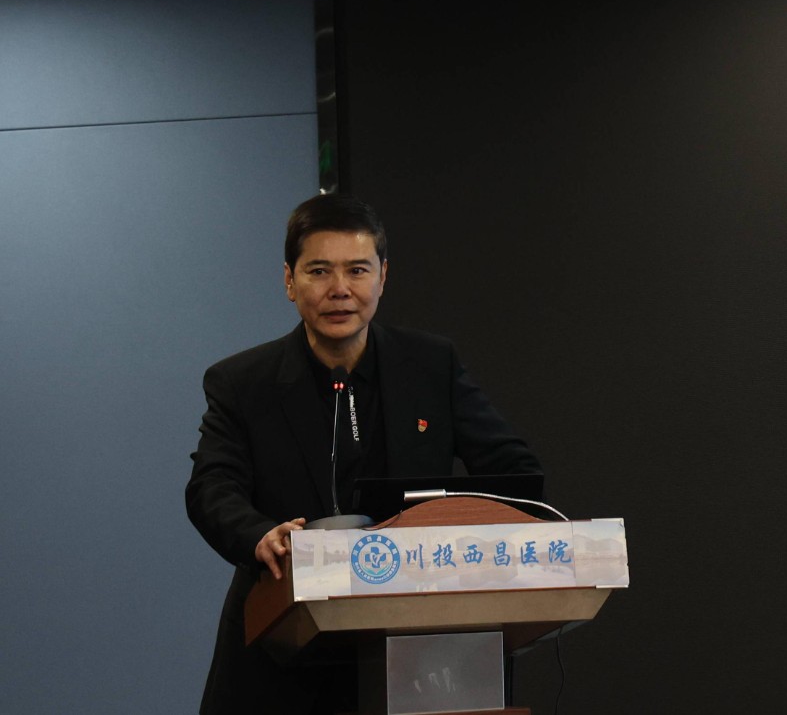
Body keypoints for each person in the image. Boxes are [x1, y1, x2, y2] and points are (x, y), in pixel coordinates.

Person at [185, 194, 540, 715]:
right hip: (283, 645)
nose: (340, 289)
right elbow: (211, 486)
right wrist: (259, 534)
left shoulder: (431, 365)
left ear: (382, 276)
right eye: (319, 271)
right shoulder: (241, 382)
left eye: (357, 270)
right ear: (289, 281)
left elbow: (514, 472)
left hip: (419, 646)